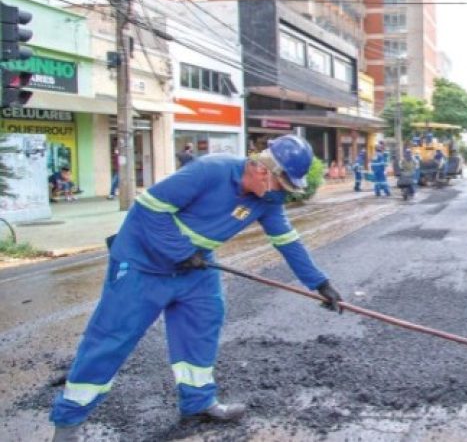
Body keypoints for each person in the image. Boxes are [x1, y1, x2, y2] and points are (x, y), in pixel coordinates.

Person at [49, 135, 343, 441]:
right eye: (282, 184)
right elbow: (149, 209)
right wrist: (181, 252)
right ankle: (68, 421)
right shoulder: (209, 171)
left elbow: (287, 241)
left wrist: (320, 283)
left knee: (201, 329)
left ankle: (198, 402)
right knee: (111, 338)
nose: (282, 193)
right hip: (143, 265)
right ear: (262, 169)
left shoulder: (268, 200)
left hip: (195, 270)